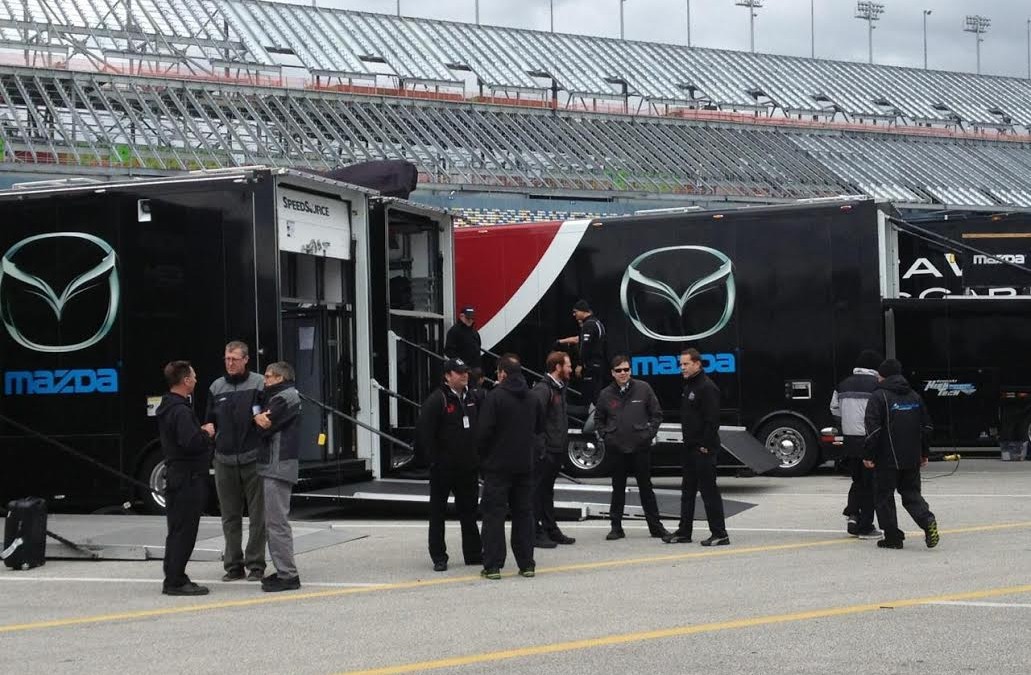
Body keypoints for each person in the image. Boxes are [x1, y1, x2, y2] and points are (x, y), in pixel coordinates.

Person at [202, 340, 266, 583]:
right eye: (227, 359)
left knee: (258, 516)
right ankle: (233, 566)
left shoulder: (259, 383)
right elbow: (209, 421)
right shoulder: (216, 387)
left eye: (235, 359)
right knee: (230, 516)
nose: (230, 363)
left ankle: (256, 565)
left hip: (253, 458)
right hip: (224, 459)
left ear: (246, 359)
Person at [863, 359, 940, 550]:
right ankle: (927, 520)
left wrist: (868, 455)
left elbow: (873, 431)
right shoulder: (914, 396)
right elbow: (927, 427)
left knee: (884, 496)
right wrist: (923, 453)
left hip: (886, 459)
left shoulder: (878, 397)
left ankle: (893, 538)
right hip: (912, 457)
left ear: (883, 375)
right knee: (911, 494)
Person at [477, 353, 541, 580]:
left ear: (502, 373)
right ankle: (527, 564)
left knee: (494, 515)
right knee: (524, 514)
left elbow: (484, 432)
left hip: (498, 466)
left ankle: (493, 565)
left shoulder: (494, 397)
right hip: (525, 464)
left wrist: (484, 458)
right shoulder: (533, 398)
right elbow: (539, 427)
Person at [416, 357, 483, 572]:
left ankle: (473, 553)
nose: (464, 375)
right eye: (458, 372)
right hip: (444, 468)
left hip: (468, 467)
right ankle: (439, 556)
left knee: (469, 512)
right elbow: (425, 434)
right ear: (447, 376)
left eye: (465, 371)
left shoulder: (471, 397)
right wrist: (434, 461)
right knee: (438, 513)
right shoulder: (437, 400)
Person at [156, 361, 215, 596]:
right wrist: (206, 433)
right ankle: (175, 580)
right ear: (185, 380)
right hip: (188, 477)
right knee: (185, 530)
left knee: (177, 528)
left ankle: (174, 574)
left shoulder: (169, 406)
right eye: (194, 376)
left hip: (178, 476)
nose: (196, 380)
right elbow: (190, 442)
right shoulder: (180, 410)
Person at [595, 355, 670, 541]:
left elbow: (657, 415)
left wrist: (648, 435)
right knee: (617, 488)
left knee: (646, 488)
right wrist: (607, 436)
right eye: (619, 370)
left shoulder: (643, 389)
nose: (623, 373)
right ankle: (616, 528)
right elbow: (598, 420)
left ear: (630, 371)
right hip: (616, 449)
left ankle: (656, 527)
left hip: (640, 448)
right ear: (612, 373)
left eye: (626, 369)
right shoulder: (605, 394)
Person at [664, 348, 729, 546]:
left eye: (686, 364)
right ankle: (684, 532)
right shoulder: (689, 386)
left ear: (697, 364)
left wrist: (705, 446)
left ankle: (720, 533)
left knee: (709, 492)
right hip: (689, 448)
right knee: (687, 492)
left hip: (703, 449)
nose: (682, 367)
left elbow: (712, 420)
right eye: (681, 364)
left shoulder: (707, 387)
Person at [253, 361, 303, 592]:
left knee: (276, 523)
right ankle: (283, 570)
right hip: (276, 464)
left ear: (280, 378)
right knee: (273, 522)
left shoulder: (284, 398)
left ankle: (288, 575)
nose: (265, 381)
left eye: (268, 377)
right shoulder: (281, 396)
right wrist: (258, 415)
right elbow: (260, 418)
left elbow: (265, 425)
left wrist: (258, 417)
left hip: (278, 465)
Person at [830, 349, 883, 539]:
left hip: (850, 441)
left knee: (857, 481)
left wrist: (847, 421)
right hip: (869, 439)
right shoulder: (876, 385)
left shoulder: (843, 384)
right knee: (870, 485)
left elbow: (834, 409)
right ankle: (866, 527)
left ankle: (853, 515)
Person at [531, 351, 576, 549]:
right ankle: (535, 532)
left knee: (547, 491)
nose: (571, 369)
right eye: (568, 365)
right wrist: (542, 449)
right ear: (557, 367)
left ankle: (551, 529)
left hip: (556, 449)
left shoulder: (559, 388)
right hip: (546, 451)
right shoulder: (543, 390)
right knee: (536, 492)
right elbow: (534, 421)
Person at [558, 299, 607, 405]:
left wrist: (580, 364)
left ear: (583, 311)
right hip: (598, 365)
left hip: (590, 366)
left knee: (590, 398)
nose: (574, 314)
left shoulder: (589, 324)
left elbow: (586, 346)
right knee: (596, 394)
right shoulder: (597, 323)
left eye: (575, 311)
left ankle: (592, 419)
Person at [444, 306, 482, 371]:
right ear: (461, 316)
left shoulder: (474, 331)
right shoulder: (454, 331)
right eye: (468, 318)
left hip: (474, 367)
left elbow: (478, 346)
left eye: (472, 318)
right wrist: (461, 363)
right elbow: (449, 351)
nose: (470, 320)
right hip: (462, 368)